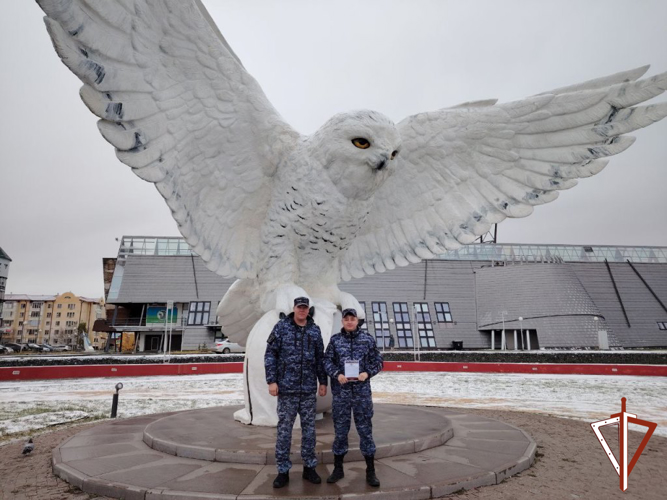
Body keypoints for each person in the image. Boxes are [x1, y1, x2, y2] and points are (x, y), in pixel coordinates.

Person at [264, 297, 328, 489]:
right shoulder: (281, 327)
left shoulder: (314, 330)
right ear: (294, 308)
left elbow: (319, 358)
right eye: (299, 307)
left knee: (309, 431)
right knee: (285, 431)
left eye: (305, 308)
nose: (302, 311)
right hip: (286, 389)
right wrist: (272, 381)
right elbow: (270, 354)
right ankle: (283, 471)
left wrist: (323, 381)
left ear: (308, 310)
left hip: (308, 390)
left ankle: (309, 467)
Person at [323, 308, 383, 487]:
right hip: (341, 394)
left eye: (352, 319)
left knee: (365, 431)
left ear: (357, 321)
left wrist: (367, 373)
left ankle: (370, 471)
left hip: (361, 394)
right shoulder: (335, 340)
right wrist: (336, 374)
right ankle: (338, 469)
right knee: (340, 432)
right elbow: (327, 361)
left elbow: (378, 361)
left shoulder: (367, 340)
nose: (349, 321)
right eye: (346, 319)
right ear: (342, 321)